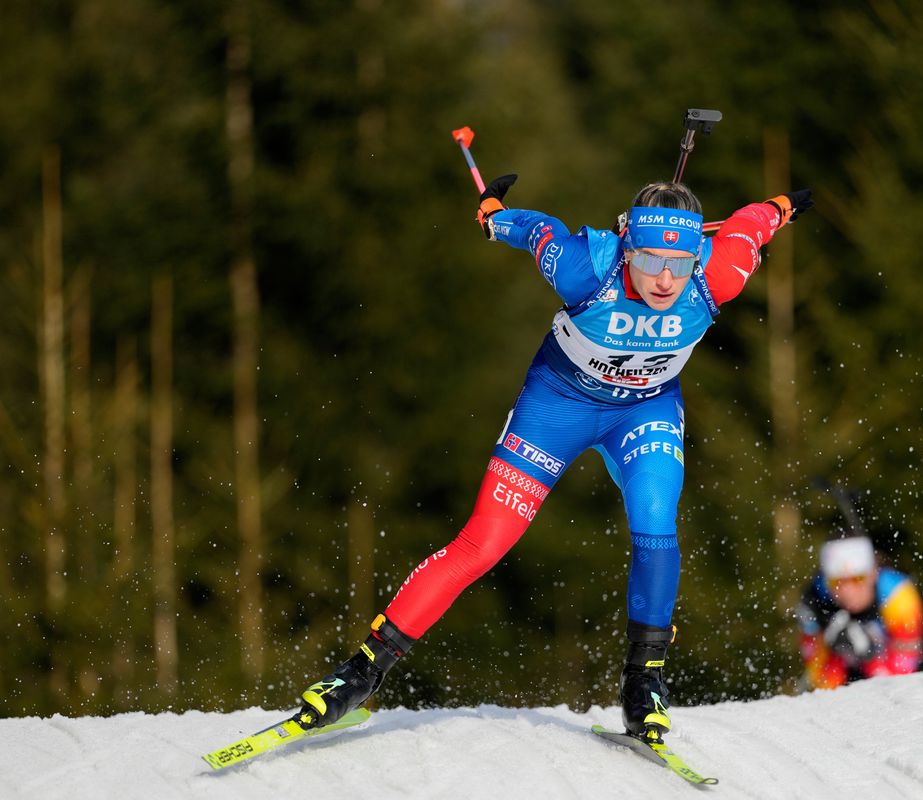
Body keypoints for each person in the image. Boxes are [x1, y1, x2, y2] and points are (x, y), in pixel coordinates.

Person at [294, 171, 813, 741]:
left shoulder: (718, 274)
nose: (666, 280)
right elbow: (538, 230)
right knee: (483, 543)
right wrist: (495, 217)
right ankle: (359, 674)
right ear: (628, 249)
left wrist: (782, 204)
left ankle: (644, 683)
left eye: (681, 264)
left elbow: (749, 225)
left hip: (644, 410)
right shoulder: (586, 267)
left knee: (656, 521)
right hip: (557, 407)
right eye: (649, 262)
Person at [795, 535, 923, 689]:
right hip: (844, 676)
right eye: (836, 581)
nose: (847, 591)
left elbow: (900, 678)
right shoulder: (814, 600)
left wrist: (869, 656)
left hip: (884, 668)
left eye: (858, 579)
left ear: (873, 574)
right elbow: (820, 681)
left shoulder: (898, 595)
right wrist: (833, 650)